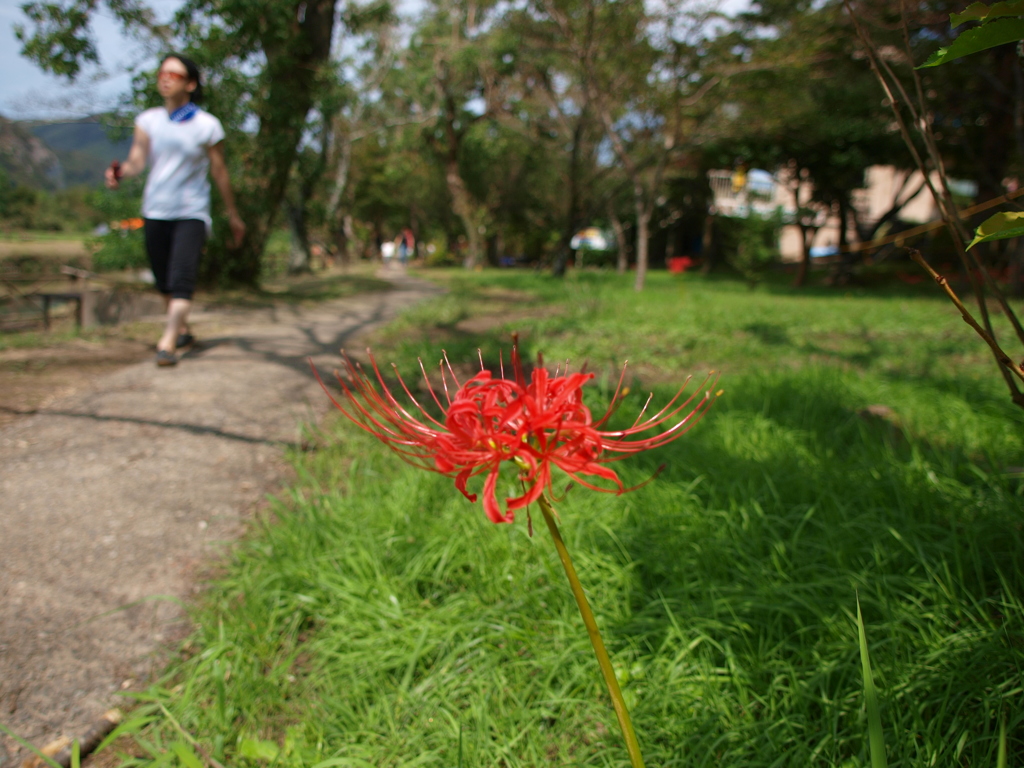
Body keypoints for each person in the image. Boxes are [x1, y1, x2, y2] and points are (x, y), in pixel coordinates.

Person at [105, 54, 245, 366]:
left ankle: (167, 342)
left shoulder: (207, 125)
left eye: (174, 74)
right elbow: (137, 161)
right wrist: (121, 173)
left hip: (192, 211)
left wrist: (233, 213)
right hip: (156, 209)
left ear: (191, 84)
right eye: (162, 73)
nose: (165, 78)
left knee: (182, 275)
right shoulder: (148, 121)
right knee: (163, 280)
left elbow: (220, 172)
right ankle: (182, 329)